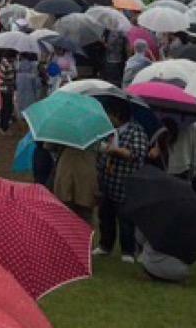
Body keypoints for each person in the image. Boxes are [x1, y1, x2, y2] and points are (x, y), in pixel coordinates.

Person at [94, 102, 149, 263]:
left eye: (110, 114)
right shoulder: (109, 131)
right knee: (105, 216)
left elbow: (136, 154)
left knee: (126, 220)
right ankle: (105, 245)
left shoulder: (136, 131)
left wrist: (112, 150)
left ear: (118, 115)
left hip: (126, 184)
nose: (108, 118)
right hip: (107, 182)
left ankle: (128, 251)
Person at [53, 144, 99, 224]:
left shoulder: (60, 133)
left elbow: (49, 146)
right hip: (85, 172)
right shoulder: (94, 134)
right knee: (84, 214)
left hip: (67, 171)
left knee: (66, 215)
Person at [0, 53, 17, 133]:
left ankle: (3, 126)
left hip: (3, 88)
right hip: (7, 89)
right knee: (7, 108)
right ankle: (4, 127)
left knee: (5, 107)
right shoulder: (7, 64)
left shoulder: (3, 62)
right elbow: (9, 77)